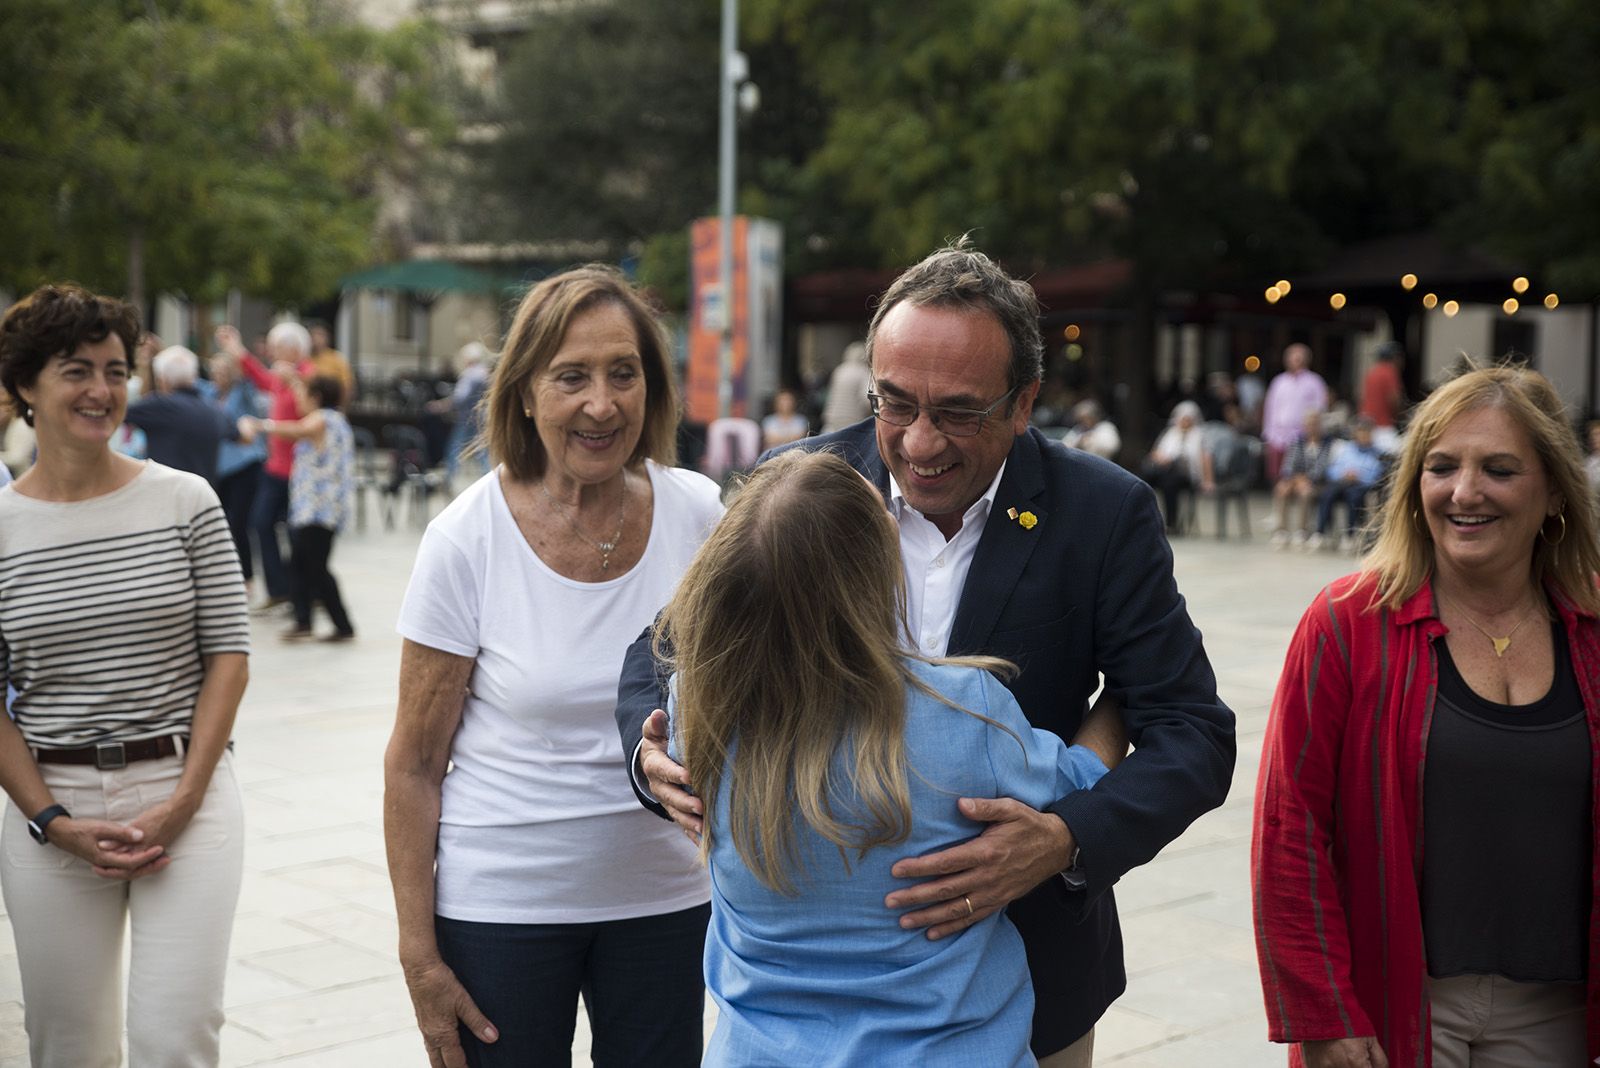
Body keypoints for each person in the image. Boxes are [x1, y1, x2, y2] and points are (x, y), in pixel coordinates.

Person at [620, 243, 1236, 1066]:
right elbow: (666, 645)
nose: (918, 442)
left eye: (958, 413)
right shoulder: (798, 484)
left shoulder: (1102, 512)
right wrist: (652, 755)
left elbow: (1193, 732)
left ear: (1025, 403)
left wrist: (1063, 839)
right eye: (895, 403)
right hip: (802, 1007)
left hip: (1034, 987)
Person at [661, 449, 1117, 1066]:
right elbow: (1083, 779)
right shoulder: (964, 711)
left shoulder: (698, 705)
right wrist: (1122, 696)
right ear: (875, 576)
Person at [384, 265, 722, 1068]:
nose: (602, 404)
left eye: (623, 374)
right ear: (526, 393)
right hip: (504, 907)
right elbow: (414, 766)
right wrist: (418, 957)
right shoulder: (466, 539)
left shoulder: (701, 515)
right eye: (572, 377)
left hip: (668, 899)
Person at [1253, 363, 1600, 1068]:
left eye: (1499, 469)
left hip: (1559, 1011)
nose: (1464, 492)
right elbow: (1291, 829)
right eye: (1441, 467)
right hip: (1396, 1006)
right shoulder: (1346, 622)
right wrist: (1322, 1013)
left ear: (1555, 492)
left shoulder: (1593, 625)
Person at [0, 283, 250, 1066]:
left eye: (115, 371)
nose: (101, 391)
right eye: (76, 370)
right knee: (65, 1046)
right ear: (25, 385)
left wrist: (185, 800)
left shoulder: (185, 501)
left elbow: (229, 656)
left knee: (176, 1039)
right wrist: (52, 820)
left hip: (187, 793)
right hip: (51, 808)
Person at [250, 376, 357, 642]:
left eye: (303, 394)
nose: (299, 400)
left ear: (316, 397)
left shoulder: (324, 419)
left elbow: (297, 430)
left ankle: (342, 625)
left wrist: (261, 425)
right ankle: (304, 621)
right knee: (300, 565)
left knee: (316, 568)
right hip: (315, 509)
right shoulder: (336, 419)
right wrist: (293, 380)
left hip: (319, 511)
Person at [217, 322, 309, 611]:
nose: (272, 353)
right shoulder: (281, 376)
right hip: (276, 468)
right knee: (260, 523)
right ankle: (280, 589)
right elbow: (259, 376)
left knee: (297, 534)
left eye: (277, 347)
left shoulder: (308, 374)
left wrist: (296, 384)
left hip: (298, 471)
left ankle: (303, 591)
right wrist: (234, 347)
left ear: (294, 349)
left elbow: (309, 416)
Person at [122, 345, 237, 485]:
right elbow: (241, 435)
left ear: (162, 380)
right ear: (194, 376)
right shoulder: (214, 410)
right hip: (203, 493)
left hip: (164, 491)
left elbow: (119, 413)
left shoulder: (159, 406)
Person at [210, 353, 268, 592]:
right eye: (216, 371)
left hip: (245, 465)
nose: (219, 375)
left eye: (224, 371)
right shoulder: (210, 394)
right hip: (219, 468)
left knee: (239, 524)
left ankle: (247, 577)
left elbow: (249, 379)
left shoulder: (243, 392)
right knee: (220, 523)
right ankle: (224, 573)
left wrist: (235, 351)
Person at [1312, 417, 1386, 553]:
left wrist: (1359, 476)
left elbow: (1376, 475)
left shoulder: (1376, 453)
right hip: (1342, 482)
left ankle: (1349, 535)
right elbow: (1332, 470)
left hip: (1361, 485)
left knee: (1353, 497)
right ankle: (1321, 533)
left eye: (1366, 433)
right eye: (1360, 432)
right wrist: (1344, 474)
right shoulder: (1346, 449)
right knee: (1327, 494)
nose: (1363, 436)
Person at [1140, 399, 1214, 533]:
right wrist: (1162, 458)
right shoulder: (1170, 433)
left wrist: (1208, 480)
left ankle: (1171, 523)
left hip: (1186, 474)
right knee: (1145, 480)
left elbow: (1205, 458)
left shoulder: (1199, 435)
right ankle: (1144, 520)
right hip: (1163, 471)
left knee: (1170, 484)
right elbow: (1155, 452)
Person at [427, 341, 491, 491]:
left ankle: (448, 479)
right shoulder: (485, 373)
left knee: (455, 448)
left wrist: (440, 406)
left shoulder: (469, 374)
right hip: (481, 417)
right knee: (482, 452)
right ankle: (490, 480)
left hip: (467, 418)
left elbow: (460, 397)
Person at [1261, 343, 1329, 484]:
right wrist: (1268, 433)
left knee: (1296, 475)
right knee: (1277, 476)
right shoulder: (1279, 381)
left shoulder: (1314, 382)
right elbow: (1270, 408)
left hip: (1301, 435)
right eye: (1292, 358)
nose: (1295, 361)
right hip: (1278, 436)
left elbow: (1320, 408)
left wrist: (1312, 432)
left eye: (1299, 358)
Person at [1270, 411, 1334, 549]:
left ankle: (1302, 530)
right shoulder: (1297, 441)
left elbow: (1323, 467)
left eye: (1315, 423)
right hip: (1295, 480)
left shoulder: (1327, 443)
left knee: (1305, 492)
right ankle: (1281, 531)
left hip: (1318, 483)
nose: (1312, 427)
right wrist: (1293, 480)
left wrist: (1307, 479)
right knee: (1281, 489)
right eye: (1309, 424)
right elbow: (1288, 465)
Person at [1360, 341, 1406, 453]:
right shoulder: (1389, 371)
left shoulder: (1372, 372)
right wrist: (1401, 414)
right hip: (1383, 426)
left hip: (1367, 425)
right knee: (1396, 454)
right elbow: (1394, 399)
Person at [820, 339, 872, 432]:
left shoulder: (839, 370)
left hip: (832, 418)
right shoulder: (863, 371)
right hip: (853, 419)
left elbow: (831, 395)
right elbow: (866, 398)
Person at [308, 322, 356, 409]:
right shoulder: (307, 358)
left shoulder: (336, 358)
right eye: (314, 335)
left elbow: (347, 385)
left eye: (320, 335)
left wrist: (342, 408)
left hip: (332, 405)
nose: (316, 339)